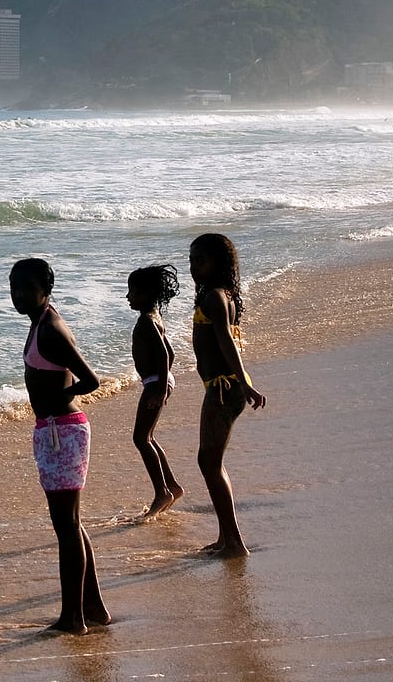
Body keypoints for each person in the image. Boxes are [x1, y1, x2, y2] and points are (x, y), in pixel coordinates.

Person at [12, 257, 111, 635]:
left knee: (66, 525)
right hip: (55, 429)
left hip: (63, 431)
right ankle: (94, 607)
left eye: (24, 287)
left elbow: (91, 380)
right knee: (70, 523)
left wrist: (58, 399)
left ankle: (73, 618)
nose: (17, 294)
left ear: (45, 288)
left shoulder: (51, 328)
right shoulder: (40, 322)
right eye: (12, 287)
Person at [189, 233, 267, 558]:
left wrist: (243, 382)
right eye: (191, 261)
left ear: (218, 263)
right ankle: (226, 537)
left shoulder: (215, 298)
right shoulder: (219, 294)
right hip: (225, 385)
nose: (194, 268)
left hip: (225, 387)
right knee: (210, 460)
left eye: (200, 261)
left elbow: (226, 341)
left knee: (208, 460)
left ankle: (234, 541)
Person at [129, 264, 184, 519]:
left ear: (148, 293)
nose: (129, 297)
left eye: (133, 292)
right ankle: (171, 485)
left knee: (141, 439)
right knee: (147, 437)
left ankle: (162, 490)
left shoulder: (146, 321)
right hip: (158, 380)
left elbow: (163, 355)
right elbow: (170, 353)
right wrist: (165, 383)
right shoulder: (154, 317)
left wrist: (160, 389)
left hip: (155, 383)